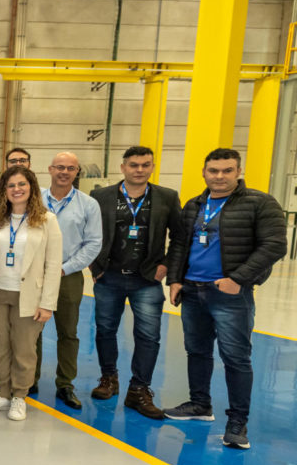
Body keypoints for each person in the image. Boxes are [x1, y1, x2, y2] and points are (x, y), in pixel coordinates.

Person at [164, 148, 287, 449]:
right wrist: (175, 279)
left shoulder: (260, 203)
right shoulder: (194, 204)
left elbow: (274, 245)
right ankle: (200, 404)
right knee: (197, 350)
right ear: (204, 172)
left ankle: (237, 423)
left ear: (238, 172)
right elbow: (179, 244)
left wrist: (238, 279)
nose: (219, 176)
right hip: (192, 289)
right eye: (213, 171)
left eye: (227, 170)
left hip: (229, 294)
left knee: (235, 357)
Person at [89, 146, 184, 419]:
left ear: (152, 167)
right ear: (123, 168)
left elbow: (180, 237)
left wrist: (166, 266)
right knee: (105, 330)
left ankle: (138, 389)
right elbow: (89, 233)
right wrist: (95, 266)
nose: (139, 169)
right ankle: (109, 378)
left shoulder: (167, 197)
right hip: (109, 276)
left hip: (147, 278)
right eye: (134, 165)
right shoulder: (101, 196)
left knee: (148, 336)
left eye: (145, 165)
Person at [0, 168, 62, 422]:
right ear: (3, 190)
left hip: (29, 294)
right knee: (0, 348)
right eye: (11, 185)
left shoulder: (47, 220)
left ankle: (19, 396)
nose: (17, 189)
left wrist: (47, 303)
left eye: (22, 184)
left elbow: (53, 264)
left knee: (24, 349)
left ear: (31, 187)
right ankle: (2, 393)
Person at [34, 152, 102, 405]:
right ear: (50, 169)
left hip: (68, 275)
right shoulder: (34, 200)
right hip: (35, 275)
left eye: (70, 168)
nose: (64, 172)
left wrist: (64, 268)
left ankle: (65, 383)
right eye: (60, 167)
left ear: (77, 172)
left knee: (68, 332)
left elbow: (93, 243)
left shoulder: (88, 205)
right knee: (32, 330)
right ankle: (30, 378)